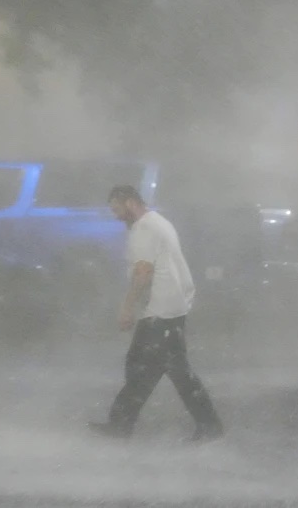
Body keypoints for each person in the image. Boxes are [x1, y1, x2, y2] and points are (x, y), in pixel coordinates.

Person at [88, 185, 224, 442]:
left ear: (129, 203)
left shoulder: (144, 229)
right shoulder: (159, 221)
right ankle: (121, 423)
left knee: (171, 371)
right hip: (170, 307)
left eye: (117, 209)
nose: (116, 216)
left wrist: (127, 307)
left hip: (160, 311)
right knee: (145, 367)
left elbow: (143, 272)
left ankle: (209, 427)